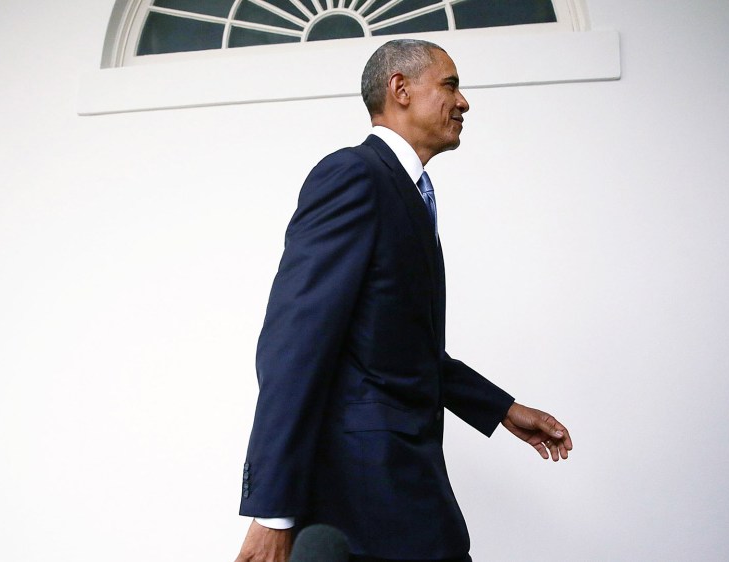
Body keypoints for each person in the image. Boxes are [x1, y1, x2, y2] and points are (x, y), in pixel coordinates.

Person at [235, 39, 573, 562]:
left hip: (403, 489)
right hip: (364, 497)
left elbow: (401, 349)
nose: (463, 102)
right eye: (451, 85)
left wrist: (502, 408)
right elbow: (293, 344)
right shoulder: (353, 176)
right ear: (401, 90)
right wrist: (273, 511)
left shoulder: (411, 192)